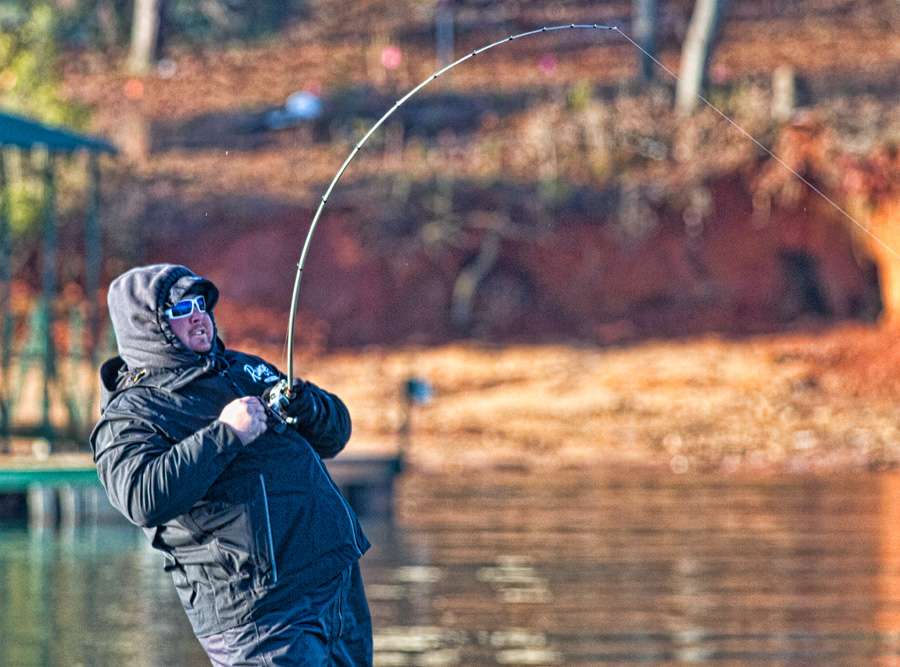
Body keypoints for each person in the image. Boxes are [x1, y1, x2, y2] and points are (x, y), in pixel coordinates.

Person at [90, 263, 373, 666]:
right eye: (181, 308)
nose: (199, 316)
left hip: (334, 580)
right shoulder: (131, 413)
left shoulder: (245, 367)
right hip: (260, 614)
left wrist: (307, 404)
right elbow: (140, 498)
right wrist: (225, 434)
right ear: (147, 325)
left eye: (201, 304)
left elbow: (336, 436)